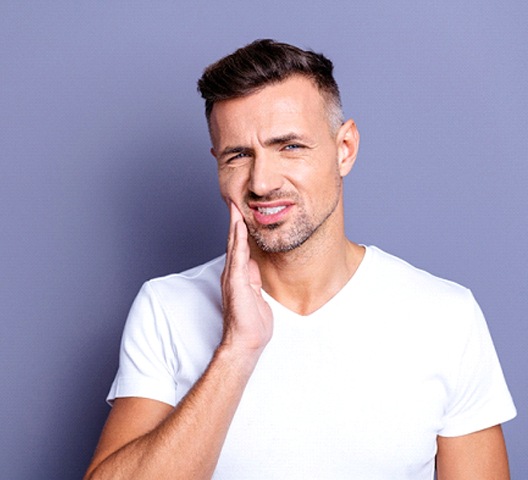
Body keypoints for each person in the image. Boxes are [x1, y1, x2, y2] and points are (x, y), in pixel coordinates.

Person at [84, 39, 516, 479]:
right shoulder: (167, 308)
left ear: (344, 148)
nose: (262, 182)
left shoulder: (445, 316)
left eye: (289, 147)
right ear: (217, 163)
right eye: (238, 155)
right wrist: (238, 349)